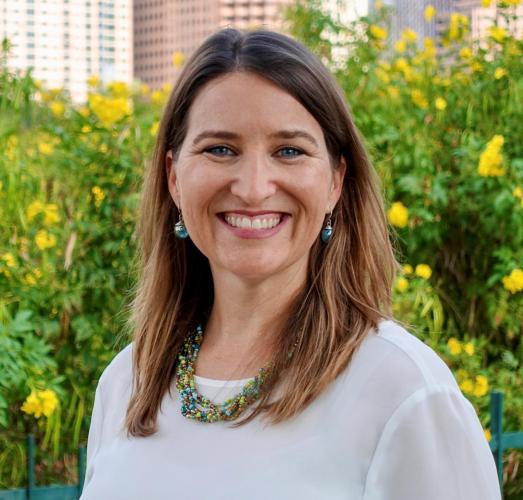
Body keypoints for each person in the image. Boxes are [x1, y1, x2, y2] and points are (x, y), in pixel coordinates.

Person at [80, 28, 502, 500]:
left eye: (289, 151)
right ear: (174, 177)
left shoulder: (405, 393)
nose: (254, 187)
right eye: (221, 149)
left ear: (335, 182)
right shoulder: (126, 382)